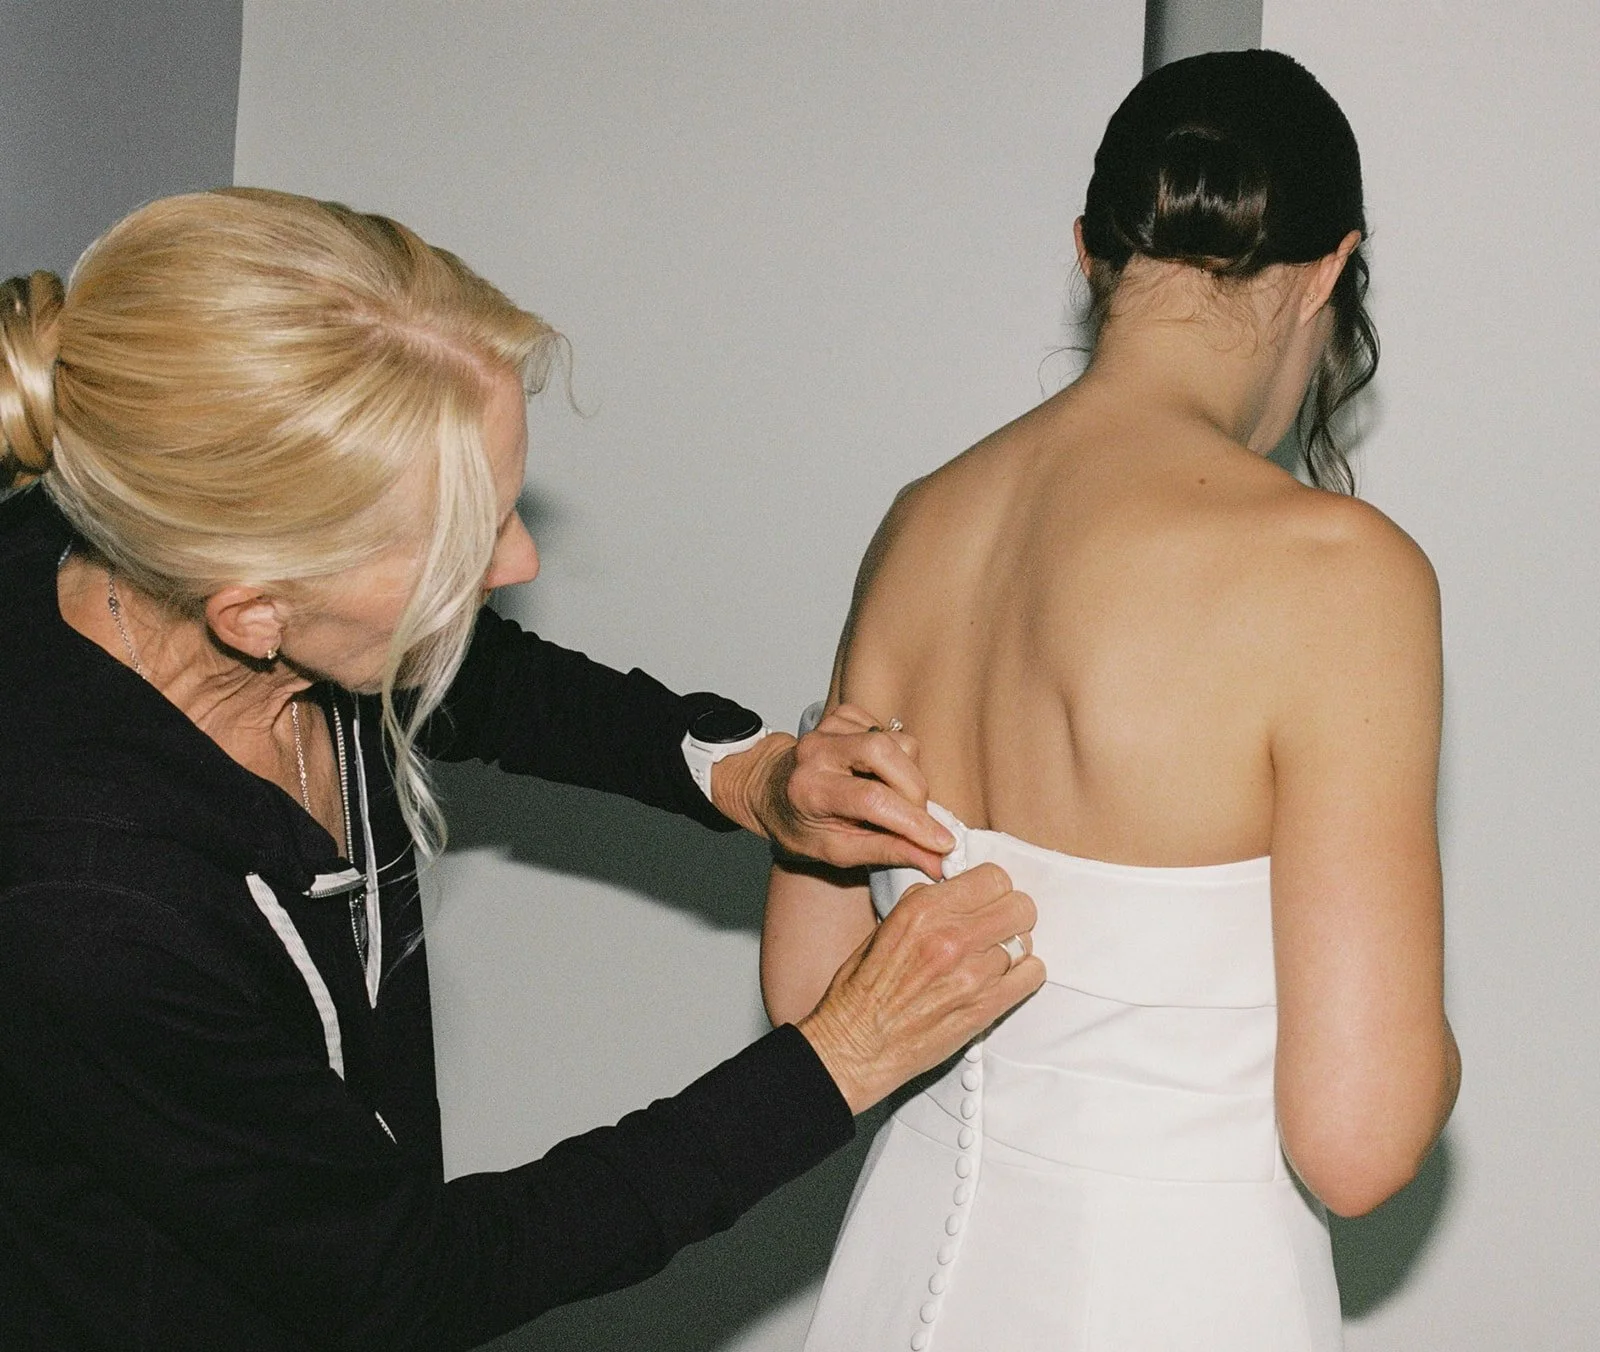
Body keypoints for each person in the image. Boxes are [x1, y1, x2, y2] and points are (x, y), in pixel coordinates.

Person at [0, 187, 1045, 1351]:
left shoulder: (186, 551)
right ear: (255, 612)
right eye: (470, 540)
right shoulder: (86, 902)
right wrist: (838, 1058)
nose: (524, 558)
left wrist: (750, 774)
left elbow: (478, 681)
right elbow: (410, 1278)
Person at [764, 50, 1460, 1350]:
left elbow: (813, 999)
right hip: (1176, 1295)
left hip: (895, 1279)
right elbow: (1361, 1143)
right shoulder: (1337, 573)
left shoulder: (922, 522)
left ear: (1088, 252)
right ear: (1328, 268)